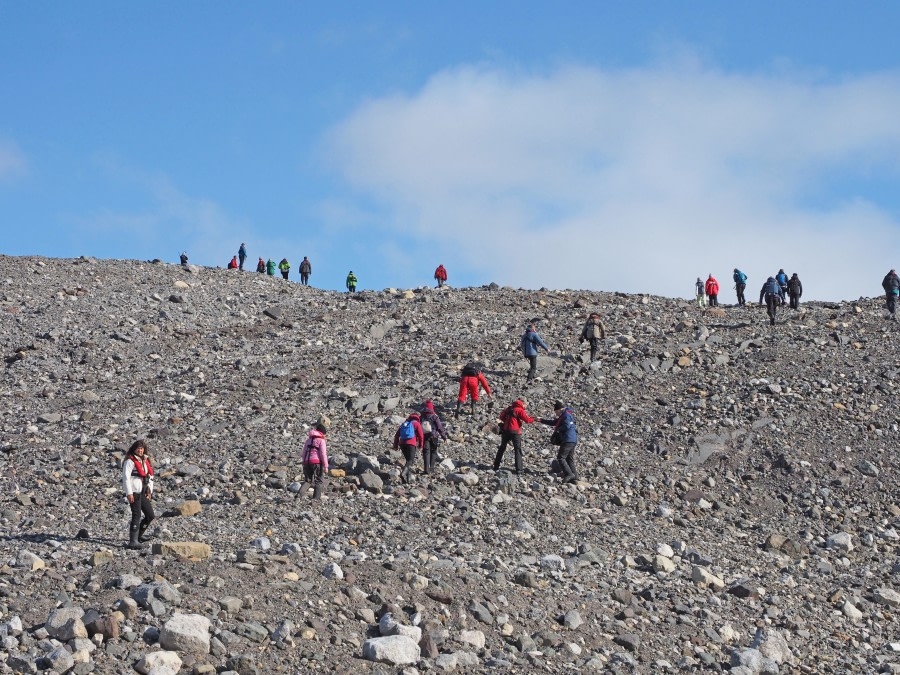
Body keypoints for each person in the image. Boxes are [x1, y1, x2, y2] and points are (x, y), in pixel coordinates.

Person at [122, 439, 155, 550]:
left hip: (142, 491)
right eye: (138, 448)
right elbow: (126, 478)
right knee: (136, 515)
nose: (140, 451)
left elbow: (149, 477)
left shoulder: (144, 460)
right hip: (134, 491)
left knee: (150, 515)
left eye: (141, 448)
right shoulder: (129, 461)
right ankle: (133, 541)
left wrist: (149, 490)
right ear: (134, 449)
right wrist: (129, 493)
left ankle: (139, 536)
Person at [540, 402, 578, 483]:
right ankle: (575, 476)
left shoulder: (566, 416)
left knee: (561, 457)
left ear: (560, 409)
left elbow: (566, 426)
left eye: (556, 411)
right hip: (573, 439)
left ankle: (569, 474)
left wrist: (558, 430)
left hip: (568, 439)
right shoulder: (564, 415)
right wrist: (541, 420)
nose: (555, 413)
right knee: (569, 458)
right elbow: (554, 422)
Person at [494, 399, 534, 474]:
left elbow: (501, 416)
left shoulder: (509, 408)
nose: (525, 407)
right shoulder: (520, 410)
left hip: (505, 430)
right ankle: (519, 469)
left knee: (502, 447)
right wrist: (534, 419)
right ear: (523, 403)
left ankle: (496, 466)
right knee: (517, 449)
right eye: (526, 405)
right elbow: (527, 420)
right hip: (515, 432)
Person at [299, 423, 328, 500]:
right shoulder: (321, 440)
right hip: (317, 462)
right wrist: (326, 466)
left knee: (308, 480)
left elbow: (304, 452)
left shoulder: (308, 440)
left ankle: (300, 495)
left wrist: (303, 462)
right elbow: (323, 454)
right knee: (318, 480)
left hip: (307, 461)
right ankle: (316, 498)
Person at [393, 412, 424, 483]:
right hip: (411, 444)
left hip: (402, 444)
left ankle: (407, 479)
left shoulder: (404, 424)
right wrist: (421, 445)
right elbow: (421, 435)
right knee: (410, 461)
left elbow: (397, 435)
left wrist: (395, 445)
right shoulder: (416, 423)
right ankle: (403, 473)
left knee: (408, 461)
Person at [420, 400, 448, 475]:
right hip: (434, 436)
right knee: (434, 452)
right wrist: (444, 437)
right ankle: (431, 469)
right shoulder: (434, 417)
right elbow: (440, 427)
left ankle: (426, 470)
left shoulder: (422, 416)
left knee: (426, 453)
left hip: (424, 436)